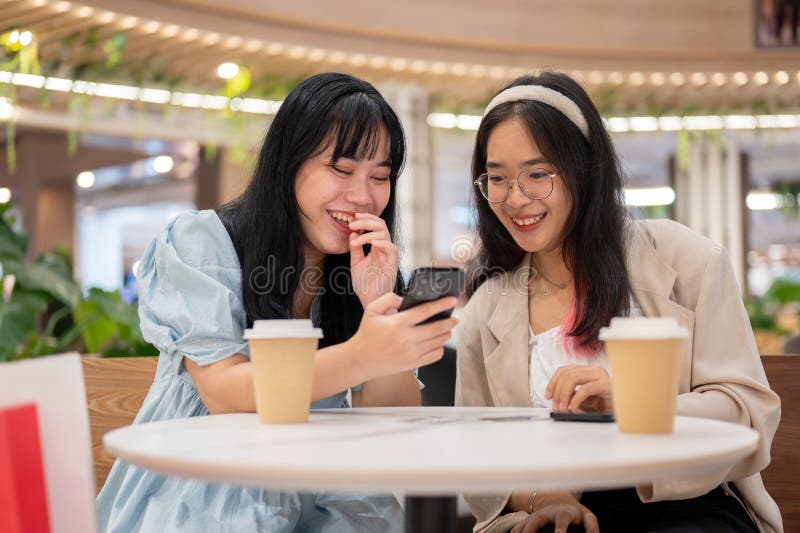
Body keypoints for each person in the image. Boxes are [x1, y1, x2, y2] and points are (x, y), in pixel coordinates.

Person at [97, 72, 458, 533]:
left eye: (381, 177)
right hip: (201, 487)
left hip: (317, 487)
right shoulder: (202, 242)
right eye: (342, 170)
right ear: (289, 163)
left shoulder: (355, 269)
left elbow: (394, 416)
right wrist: (361, 354)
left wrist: (378, 304)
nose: (364, 196)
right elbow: (225, 392)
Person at [455, 71, 782, 533]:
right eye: (498, 179)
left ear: (583, 169)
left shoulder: (686, 261)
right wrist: (545, 498)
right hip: (551, 514)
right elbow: (479, 454)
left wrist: (633, 405)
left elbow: (748, 416)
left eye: (537, 174)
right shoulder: (487, 307)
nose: (516, 199)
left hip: (686, 505)